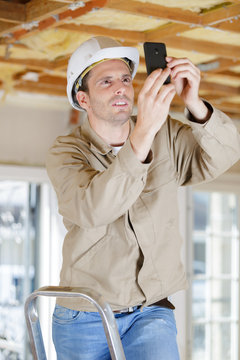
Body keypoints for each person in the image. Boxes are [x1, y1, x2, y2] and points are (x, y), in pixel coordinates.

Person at [46, 36, 240, 360]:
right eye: (106, 82)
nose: (121, 88)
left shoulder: (165, 134)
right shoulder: (66, 152)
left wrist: (195, 103)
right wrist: (143, 132)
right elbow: (93, 209)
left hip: (151, 312)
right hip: (86, 316)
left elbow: (227, 153)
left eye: (125, 79)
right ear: (84, 99)